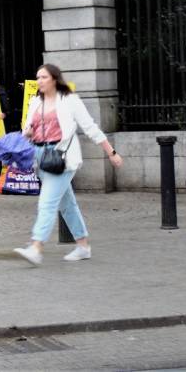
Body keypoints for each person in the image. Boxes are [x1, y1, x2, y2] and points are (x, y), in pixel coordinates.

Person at [13, 64, 123, 266]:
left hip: (62, 158)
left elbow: (90, 128)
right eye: (37, 77)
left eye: (44, 77)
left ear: (54, 79)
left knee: (46, 203)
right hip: (41, 156)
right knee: (67, 205)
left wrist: (111, 152)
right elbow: (27, 129)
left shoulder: (70, 100)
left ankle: (36, 247)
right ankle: (83, 246)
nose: (39, 81)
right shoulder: (36, 101)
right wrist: (27, 132)